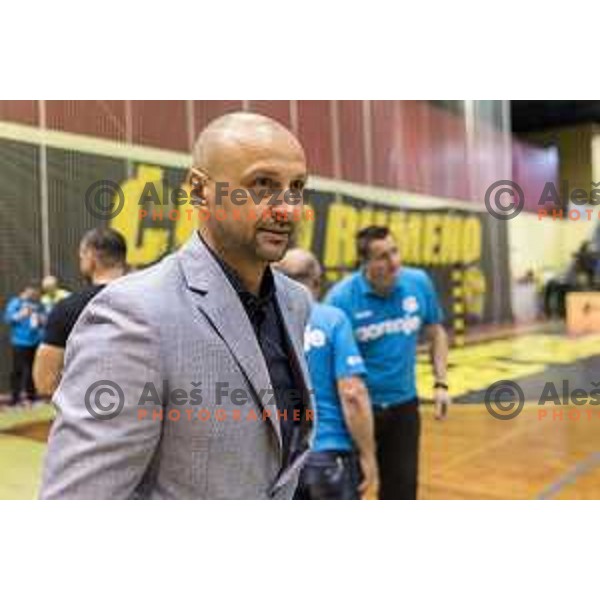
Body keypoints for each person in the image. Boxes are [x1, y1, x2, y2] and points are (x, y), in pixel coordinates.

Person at [40, 112, 314, 500]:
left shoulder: (295, 303)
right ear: (200, 190)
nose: (287, 208)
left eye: (297, 187)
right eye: (262, 185)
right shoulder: (132, 315)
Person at [325, 225, 450, 500]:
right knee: (350, 492)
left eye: (395, 251)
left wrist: (441, 382)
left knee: (401, 494)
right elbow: (328, 364)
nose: (394, 262)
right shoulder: (340, 299)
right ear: (365, 262)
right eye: (382, 256)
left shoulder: (418, 283)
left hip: (403, 407)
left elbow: (435, 331)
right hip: (358, 411)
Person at [277, 248, 378, 500]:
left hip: (278, 462)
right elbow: (352, 394)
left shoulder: (262, 322)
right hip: (327, 454)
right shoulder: (332, 319)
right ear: (317, 280)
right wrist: (368, 455)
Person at [33, 228, 127, 397]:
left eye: (82, 256)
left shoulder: (67, 308)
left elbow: (44, 382)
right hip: (145, 413)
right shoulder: (154, 300)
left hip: (90, 415)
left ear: (91, 257)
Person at [3, 283, 46, 406]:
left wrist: (41, 320)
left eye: (37, 293)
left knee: (33, 371)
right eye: (33, 292)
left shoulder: (39, 304)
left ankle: (32, 397)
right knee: (18, 370)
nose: (35, 295)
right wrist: (21, 314)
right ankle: (15, 399)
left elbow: (45, 321)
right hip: (20, 342)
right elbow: (8, 319)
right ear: (27, 290)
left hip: (35, 341)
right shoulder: (16, 303)